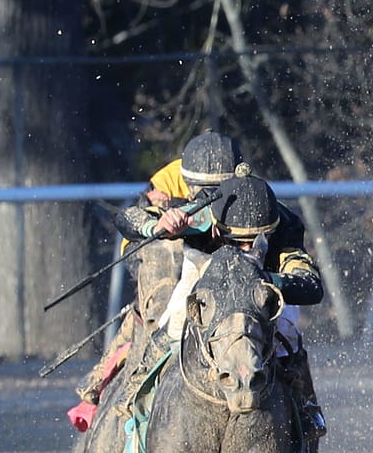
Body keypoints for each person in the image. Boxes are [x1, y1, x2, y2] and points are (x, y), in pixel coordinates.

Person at [113, 171, 327, 436]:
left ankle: (307, 405)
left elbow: (311, 287)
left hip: (259, 291)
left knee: (288, 334)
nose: (248, 249)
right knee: (176, 318)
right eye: (239, 242)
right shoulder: (201, 212)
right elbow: (125, 218)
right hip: (205, 276)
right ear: (217, 228)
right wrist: (158, 225)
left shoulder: (285, 226)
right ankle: (138, 388)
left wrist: (260, 279)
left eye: (257, 240)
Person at [67, 130, 244, 430]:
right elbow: (134, 216)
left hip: (206, 250)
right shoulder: (169, 179)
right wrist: (161, 221)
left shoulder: (245, 185)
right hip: (158, 246)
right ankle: (133, 384)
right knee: (164, 308)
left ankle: (304, 404)